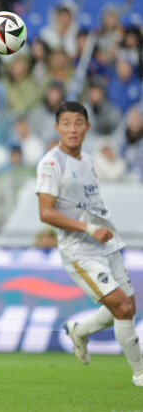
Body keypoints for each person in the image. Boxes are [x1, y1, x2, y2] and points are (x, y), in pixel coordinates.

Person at [36, 101, 143, 387]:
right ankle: (140, 374)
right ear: (57, 127)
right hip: (80, 250)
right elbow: (45, 212)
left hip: (106, 242)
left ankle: (79, 331)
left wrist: (102, 229)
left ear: (88, 127)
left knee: (127, 307)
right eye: (67, 123)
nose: (73, 129)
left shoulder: (89, 161)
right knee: (122, 308)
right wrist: (88, 228)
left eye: (79, 123)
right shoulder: (51, 163)